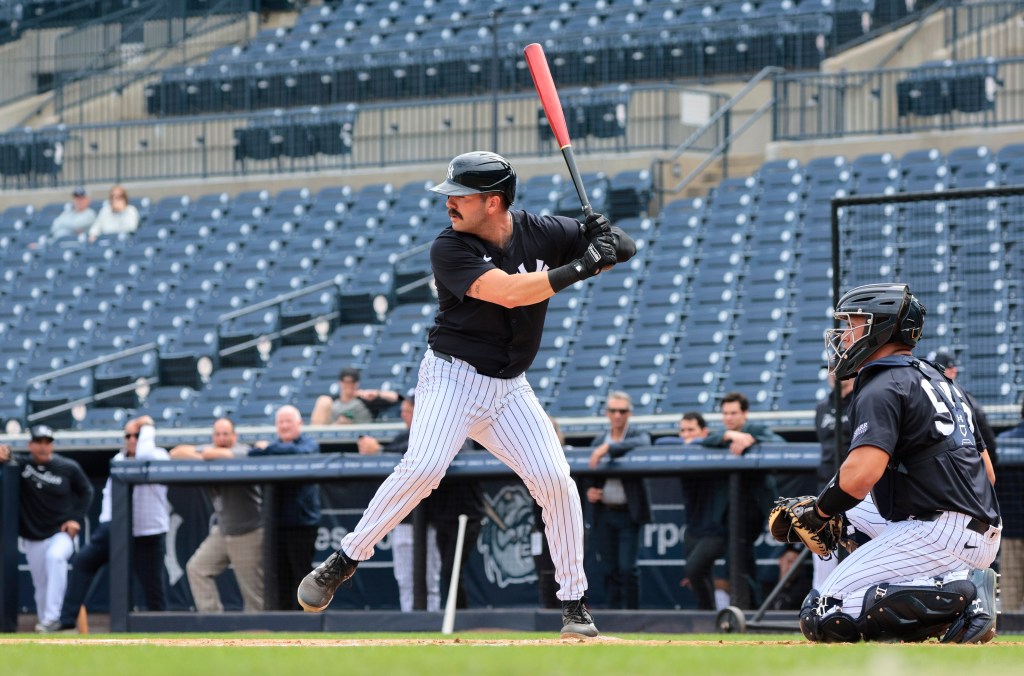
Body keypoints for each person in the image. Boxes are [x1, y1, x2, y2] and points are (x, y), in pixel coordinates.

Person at [297, 150, 633, 638]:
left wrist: (606, 236)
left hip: (509, 388)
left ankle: (574, 603)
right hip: (452, 379)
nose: (449, 203)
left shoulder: (542, 230)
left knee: (556, 480)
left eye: (460, 195)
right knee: (426, 466)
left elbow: (626, 247)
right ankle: (346, 559)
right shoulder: (448, 248)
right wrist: (584, 265)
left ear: (493, 201)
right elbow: (513, 292)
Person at [793, 283, 1000, 644]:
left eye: (854, 323)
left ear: (881, 328)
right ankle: (946, 589)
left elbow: (859, 477)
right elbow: (989, 475)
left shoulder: (881, 381)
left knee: (824, 613)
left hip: (938, 531)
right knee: (847, 517)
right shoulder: (940, 379)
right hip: (974, 528)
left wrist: (819, 513)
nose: (844, 336)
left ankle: (962, 596)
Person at [55, 415, 170, 630]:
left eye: (138, 435)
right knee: (82, 561)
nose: (133, 439)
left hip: (148, 532)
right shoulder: (118, 460)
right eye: (128, 435)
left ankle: (160, 628)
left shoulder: (158, 455)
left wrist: (148, 425)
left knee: (153, 586)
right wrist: (108, 526)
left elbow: (144, 455)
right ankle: (66, 621)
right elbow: (109, 500)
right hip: (116, 529)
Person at [0, 425, 93, 633]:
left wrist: (76, 519)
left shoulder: (68, 467)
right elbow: (6, 454)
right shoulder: (22, 465)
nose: (43, 446)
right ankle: (47, 626)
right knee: (41, 587)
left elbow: (87, 490)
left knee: (55, 557)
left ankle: (54, 618)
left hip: (60, 533)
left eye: (47, 442)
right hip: (33, 537)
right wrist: (4, 452)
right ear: (30, 445)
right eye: (39, 442)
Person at [357, 396, 443, 612]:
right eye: (403, 411)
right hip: (404, 520)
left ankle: (431, 625)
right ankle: (410, 626)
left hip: (431, 518)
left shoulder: (435, 433)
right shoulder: (401, 437)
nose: (404, 416)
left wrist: (378, 450)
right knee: (405, 579)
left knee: (430, 580)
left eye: (408, 411)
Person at [170, 418, 264, 613]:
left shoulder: (243, 450)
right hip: (222, 530)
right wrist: (205, 456)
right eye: (217, 434)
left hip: (247, 531)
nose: (221, 438)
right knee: (197, 568)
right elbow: (176, 452)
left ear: (234, 436)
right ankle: (213, 621)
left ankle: (260, 635)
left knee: (253, 596)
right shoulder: (209, 451)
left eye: (226, 434)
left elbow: (226, 455)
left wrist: (204, 455)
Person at [656, 412, 730, 610]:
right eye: (683, 431)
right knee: (697, 575)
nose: (686, 435)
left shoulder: (714, 448)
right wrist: (688, 442)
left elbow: (721, 440)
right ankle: (709, 615)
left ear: (704, 432)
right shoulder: (682, 448)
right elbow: (660, 442)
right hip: (693, 527)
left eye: (691, 430)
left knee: (694, 569)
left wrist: (699, 442)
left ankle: (710, 613)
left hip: (716, 528)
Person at [250, 405, 320, 611]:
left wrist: (267, 449)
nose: (284, 425)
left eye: (288, 421)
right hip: (276, 525)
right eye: (280, 422)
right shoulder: (272, 447)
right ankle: (282, 622)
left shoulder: (308, 443)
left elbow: (300, 452)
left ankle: (305, 621)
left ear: (300, 424)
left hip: (302, 525)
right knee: (278, 575)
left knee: (301, 574)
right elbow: (252, 454)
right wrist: (265, 449)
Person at [585, 391, 651, 609]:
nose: (617, 415)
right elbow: (588, 477)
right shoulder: (597, 439)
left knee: (627, 568)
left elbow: (644, 441)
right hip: (604, 513)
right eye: (613, 411)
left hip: (628, 512)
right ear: (606, 413)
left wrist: (609, 448)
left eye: (622, 411)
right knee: (608, 568)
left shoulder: (635, 435)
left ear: (629, 413)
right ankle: (614, 616)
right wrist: (590, 492)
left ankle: (633, 616)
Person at [931, 352, 998, 466]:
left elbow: (987, 443)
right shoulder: (961, 396)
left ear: (953, 371)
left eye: (938, 369)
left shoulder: (965, 399)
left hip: (966, 466)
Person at [994, 396, 1024, 613]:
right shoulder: (1004, 441)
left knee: (1011, 595)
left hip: (1012, 529)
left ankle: (1010, 632)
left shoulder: (1004, 441)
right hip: (1013, 529)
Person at [310, 367, 377, 425]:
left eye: (352, 382)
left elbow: (387, 397)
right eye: (346, 382)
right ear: (340, 383)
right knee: (323, 400)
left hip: (362, 436)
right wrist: (337, 425)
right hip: (334, 436)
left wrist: (377, 393)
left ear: (357, 383)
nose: (349, 385)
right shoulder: (332, 402)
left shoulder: (366, 401)